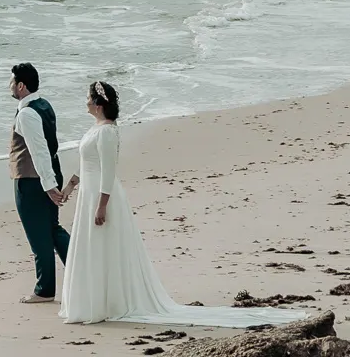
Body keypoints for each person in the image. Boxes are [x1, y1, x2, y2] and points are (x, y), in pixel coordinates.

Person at [57, 80, 310, 328]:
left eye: (90, 98)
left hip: (102, 197)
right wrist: (70, 186)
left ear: (99, 104)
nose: (86, 102)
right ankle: (96, 301)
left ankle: (107, 304)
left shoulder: (107, 132)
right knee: (94, 249)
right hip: (88, 195)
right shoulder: (94, 128)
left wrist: (102, 205)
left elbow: (108, 173)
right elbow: (87, 164)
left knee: (105, 249)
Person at [8, 62, 70, 303]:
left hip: (33, 181)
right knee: (52, 230)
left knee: (39, 235)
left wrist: (48, 185)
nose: (9, 86)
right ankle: (82, 270)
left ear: (21, 86)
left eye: (12, 82)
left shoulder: (26, 114)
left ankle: (44, 289)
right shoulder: (44, 105)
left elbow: (39, 151)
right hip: (48, 174)